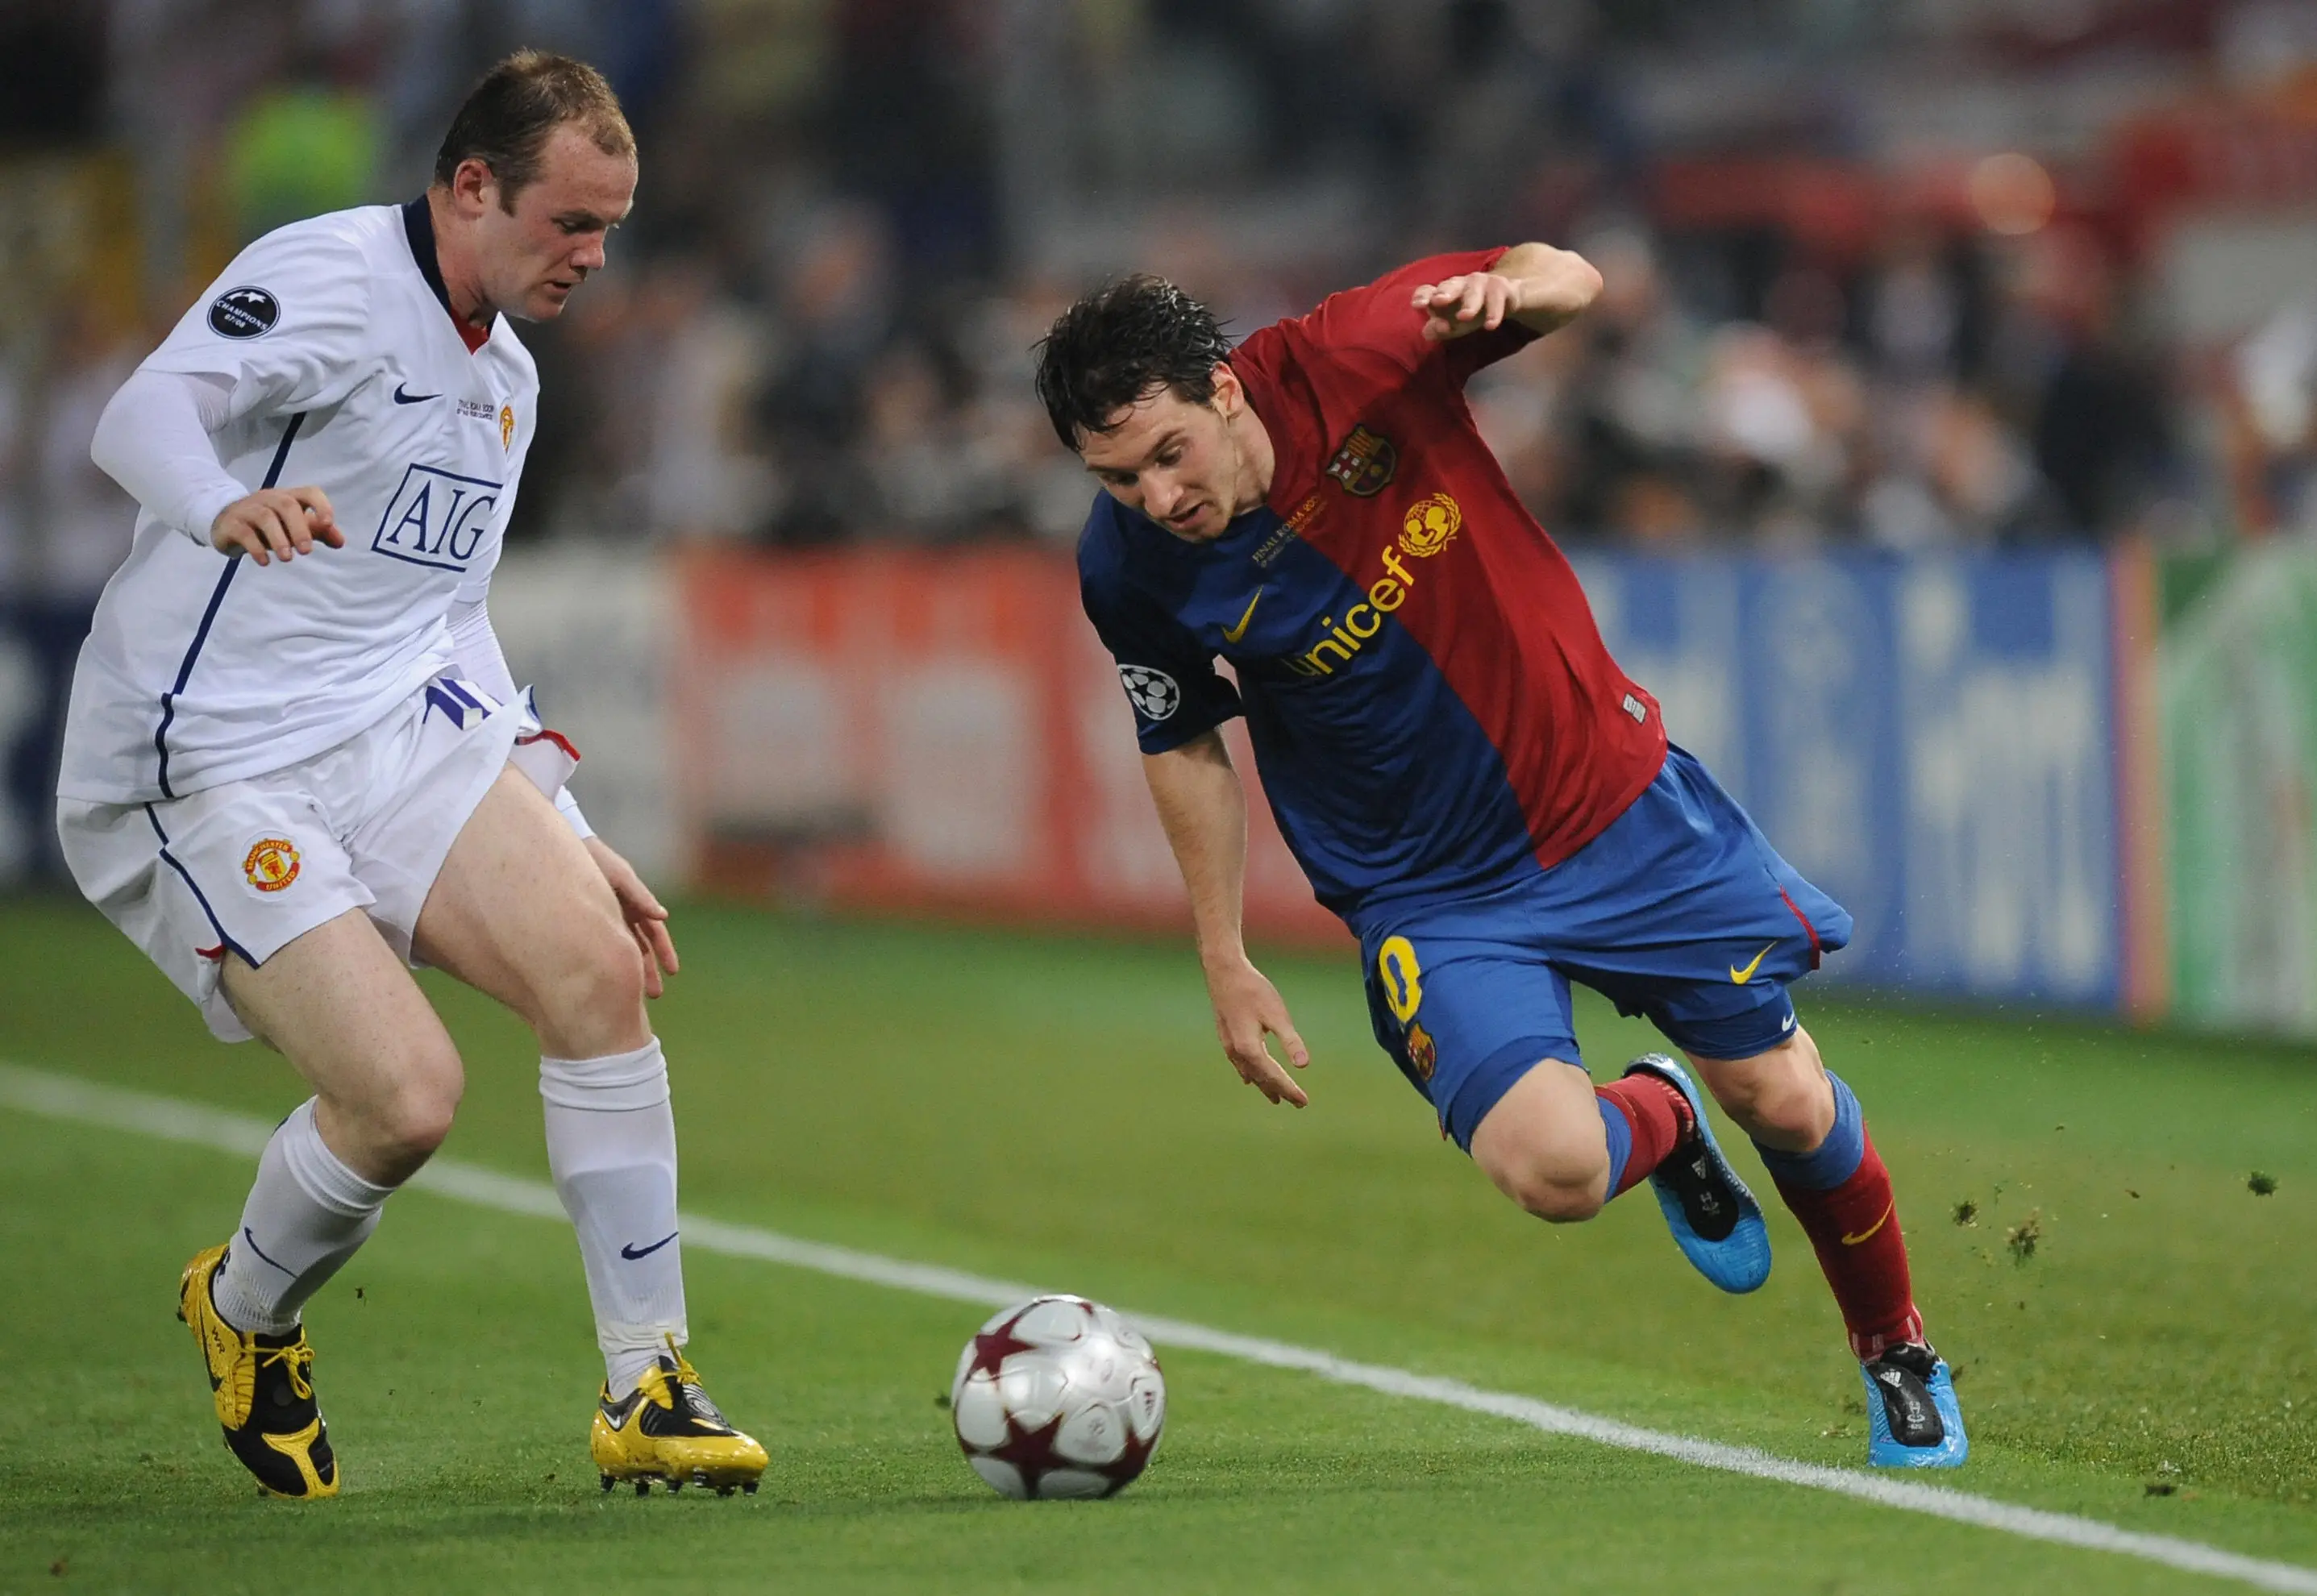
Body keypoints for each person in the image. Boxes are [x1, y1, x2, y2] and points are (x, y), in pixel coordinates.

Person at [1038, 250, 1966, 1468]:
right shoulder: (1124, 569)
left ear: (1220, 389)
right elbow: (1180, 737)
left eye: (1168, 455)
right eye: (1117, 478)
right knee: (1555, 1169)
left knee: (1784, 1100)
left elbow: (1569, 278)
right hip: (1428, 891)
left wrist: (1523, 291)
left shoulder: (1354, 354)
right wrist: (1223, 950)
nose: (1158, 498)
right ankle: (1659, 1122)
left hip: (1610, 806)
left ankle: (1895, 1347)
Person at [57, 52, 764, 1499]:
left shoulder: (504, 379)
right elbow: (139, 413)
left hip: (390, 734)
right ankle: (245, 1311)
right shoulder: (325, 275)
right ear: (469, 188)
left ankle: (651, 1384)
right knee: (406, 1103)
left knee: (597, 972)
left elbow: (444, 618)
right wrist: (225, 503)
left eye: (611, 228)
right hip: (208, 761)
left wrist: (560, 818)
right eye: (570, 223)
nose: (593, 258)